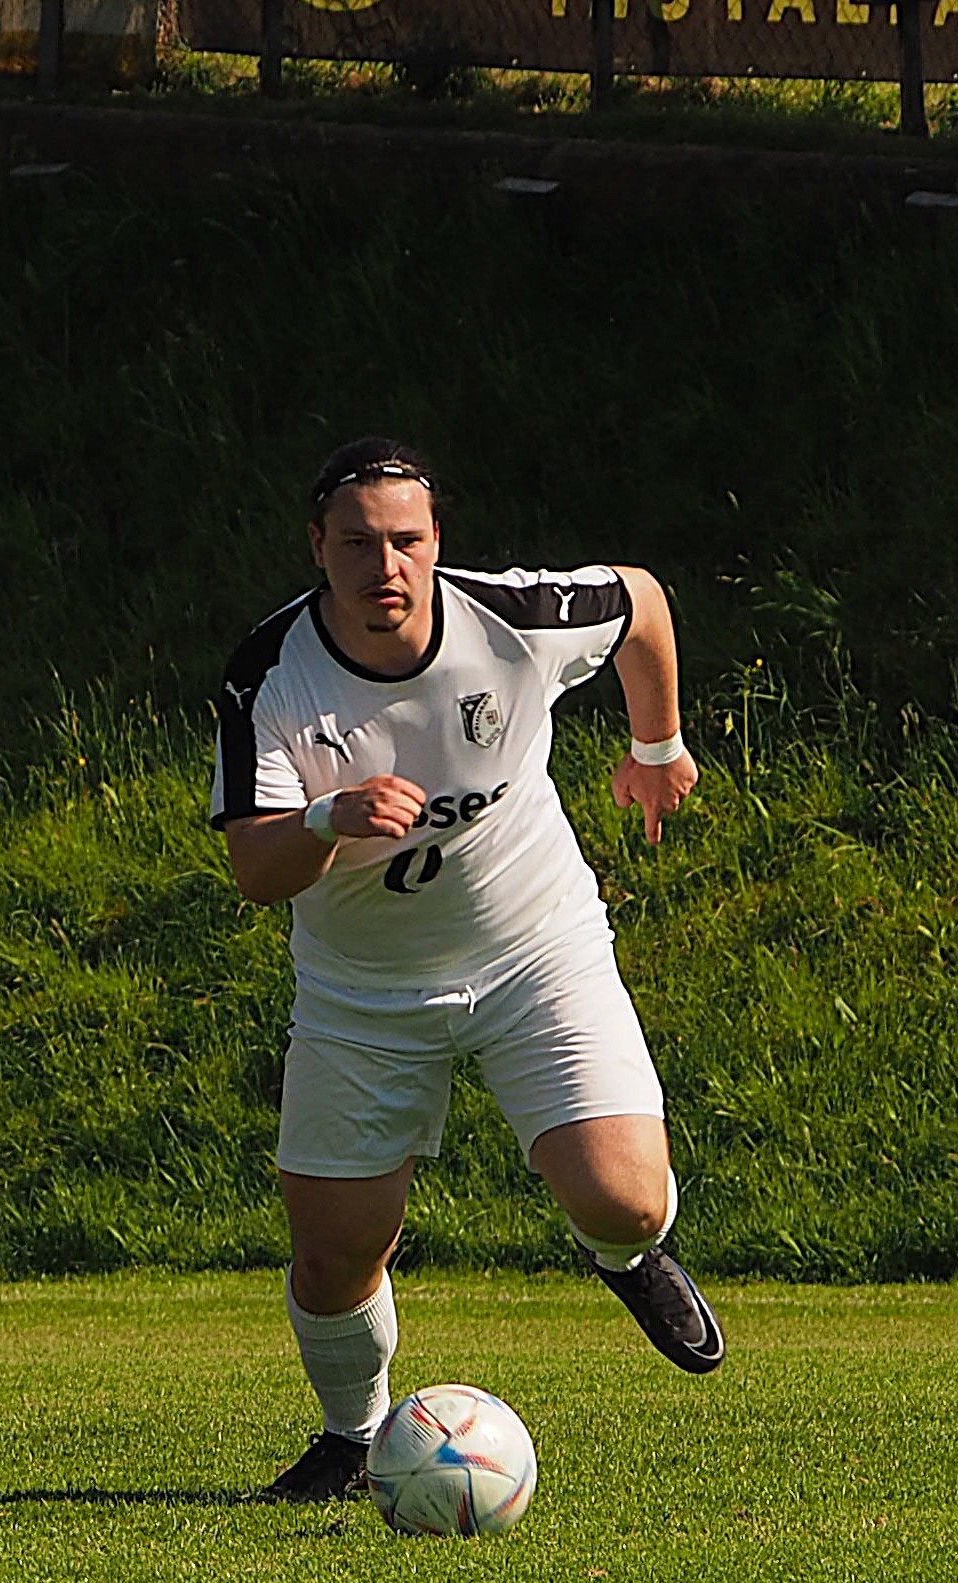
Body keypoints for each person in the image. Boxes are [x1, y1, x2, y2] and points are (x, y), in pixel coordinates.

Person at [214, 440, 723, 1500]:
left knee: (627, 1202)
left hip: (537, 955)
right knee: (334, 1257)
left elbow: (640, 601)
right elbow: (257, 871)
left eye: (405, 541)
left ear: (437, 542)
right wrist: (327, 819)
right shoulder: (269, 673)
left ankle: (626, 1259)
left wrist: (658, 745)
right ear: (318, 548)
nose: (384, 565)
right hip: (361, 995)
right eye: (357, 543)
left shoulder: (514, 620)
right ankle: (352, 1437)